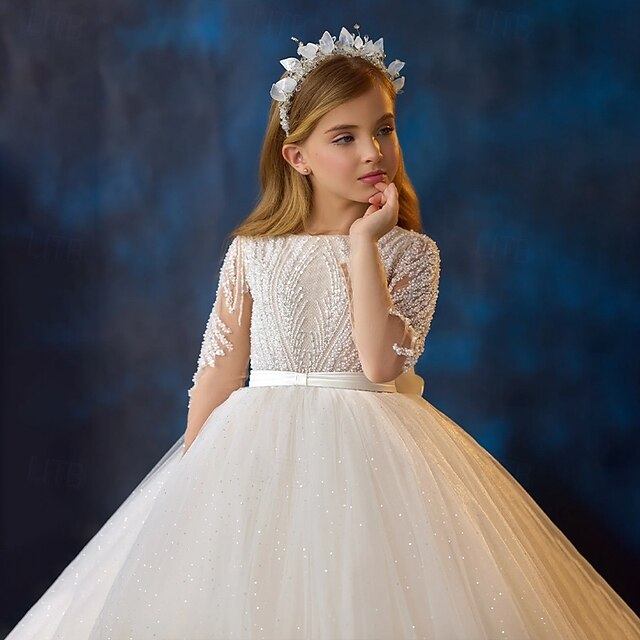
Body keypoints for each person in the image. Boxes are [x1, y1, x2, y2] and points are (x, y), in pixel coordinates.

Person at [6, 23, 640, 640]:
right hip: (252, 458)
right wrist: (186, 489)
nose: (372, 152)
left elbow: (380, 365)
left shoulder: (410, 253)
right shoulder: (254, 251)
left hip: (375, 462)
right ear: (298, 157)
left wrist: (364, 244)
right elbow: (218, 372)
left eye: (384, 129)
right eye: (345, 137)